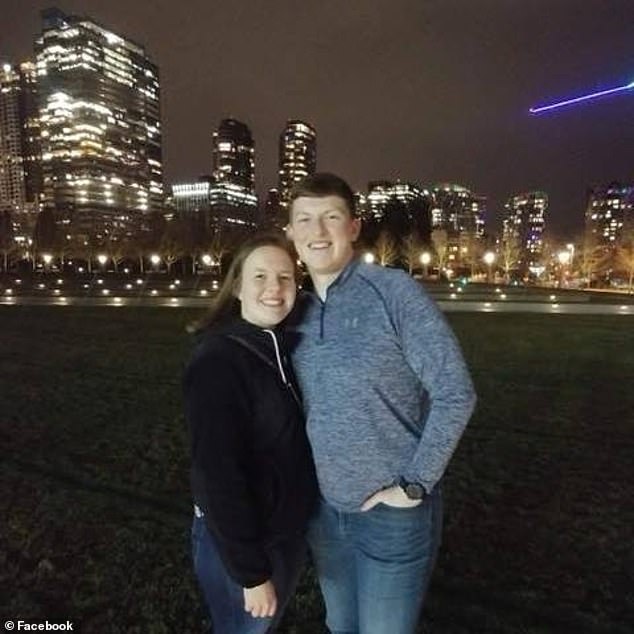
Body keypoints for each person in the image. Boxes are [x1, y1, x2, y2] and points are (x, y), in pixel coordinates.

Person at [286, 173, 477, 634]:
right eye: (305, 220)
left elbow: (455, 390)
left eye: (331, 217)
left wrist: (414, 485)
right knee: (342, 626)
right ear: (290, 232)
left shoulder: (393, 292)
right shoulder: (294, 312)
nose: (318, 231)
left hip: (393, 514)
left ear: (353, 227)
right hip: (325, 515)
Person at [183, 233, 318, 634]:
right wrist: (252, 574)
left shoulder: (285, 347)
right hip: (245, 545)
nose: (274, 288)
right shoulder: (217, 361)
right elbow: (217, 475)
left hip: (284, 534)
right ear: (237, 286)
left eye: (285, 277)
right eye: (259, 276)